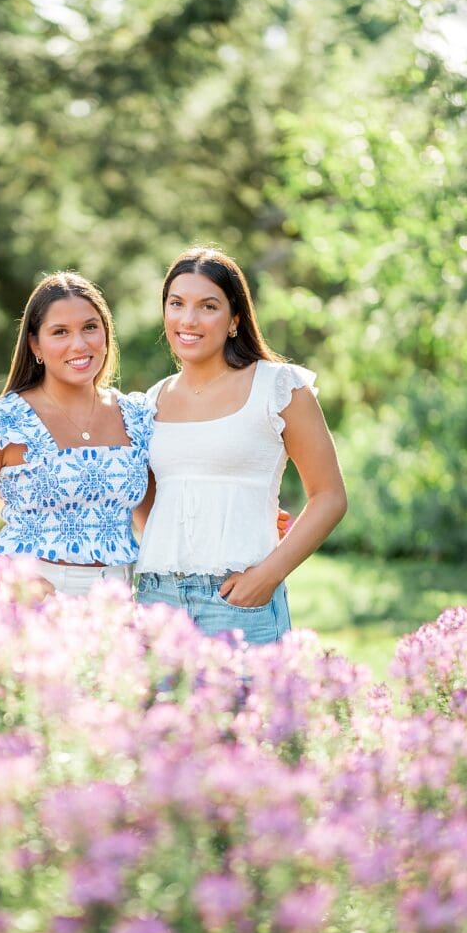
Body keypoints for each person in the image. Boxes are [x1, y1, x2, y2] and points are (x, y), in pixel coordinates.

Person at [133, 245, 347, 645]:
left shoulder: (279, 387)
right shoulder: (151, 400)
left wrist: (268, 575)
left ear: (234, 319)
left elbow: (330, 496)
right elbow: (148, 499)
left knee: (250, 710)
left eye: (208, 306)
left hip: (238, 602)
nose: (188, 319)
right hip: (157, 602)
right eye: (176, 303)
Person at [0, 272, 154, 598]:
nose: (80, 344)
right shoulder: (4, 422)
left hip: (116, 603)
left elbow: (155, 523)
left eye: (90, 327)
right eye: (60, 332)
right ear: (35, 345)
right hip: (29, 603)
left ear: (106, 333)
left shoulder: (137, 417)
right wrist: (10, 578)